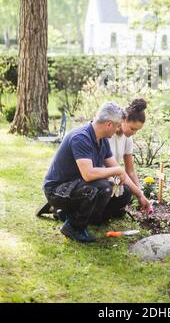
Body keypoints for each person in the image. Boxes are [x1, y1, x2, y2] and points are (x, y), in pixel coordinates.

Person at [41, 102, 150, 243]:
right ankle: (73, 227)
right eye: (118, 126)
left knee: (125, 193)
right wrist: (118, 170)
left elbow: (116, 168)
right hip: (58, 191)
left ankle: (78, 216)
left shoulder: (102, 140)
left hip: (78, 188)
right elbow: (88, 174)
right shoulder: (81, 137)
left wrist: (140, 195)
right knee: (102, 186)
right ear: (109, 124)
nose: (119, 130)